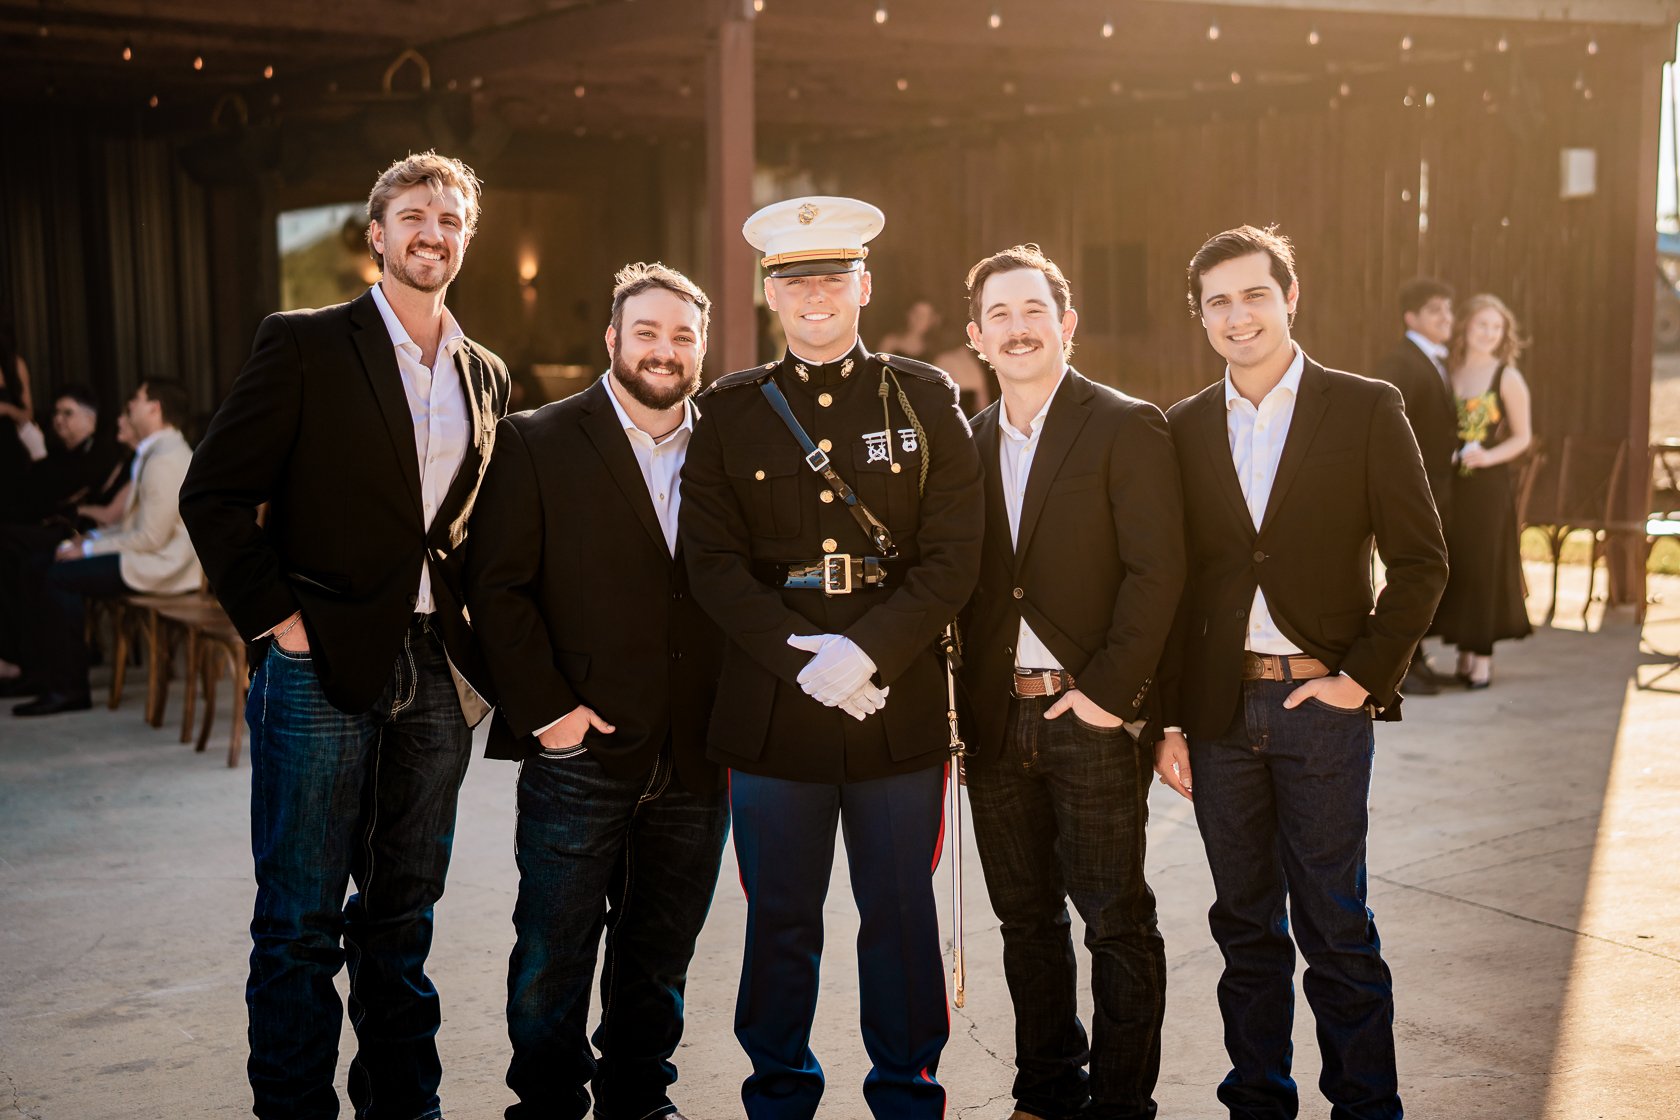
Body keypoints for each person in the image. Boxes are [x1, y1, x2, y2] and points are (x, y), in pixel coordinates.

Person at [179, 151, 510, 1120]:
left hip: (437, 675)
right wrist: (280, 625)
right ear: (376, 233)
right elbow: (214, 492)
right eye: (414, 214)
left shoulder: (485, 374)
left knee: (402, 919)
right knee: (299, 923)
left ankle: (403, 1106)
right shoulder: (306, 344)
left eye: (451, 219)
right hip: (318, 664)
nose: (432, 232)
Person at [679, 196, 983, 1119]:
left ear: (864, 284)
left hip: (894, 707)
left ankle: (907, 1094)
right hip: (777, 711)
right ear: (772, 294)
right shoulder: (728, 411)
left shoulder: (925, 398)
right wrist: (801, 659)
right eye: (794, 280)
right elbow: (712, 563)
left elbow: (953, 554)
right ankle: (778, 1095)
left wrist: (868, 656)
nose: (815, 295)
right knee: (779, 922)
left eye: (831, 277)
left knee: (898, 918)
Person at [1154, 225, 1447, 1120]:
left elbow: (1422, 560)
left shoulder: (1364, 407)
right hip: (1217, 712)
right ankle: (1259, 1103)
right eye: (1218, 302)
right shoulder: (1182, 426)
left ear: (1290, 296)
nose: (1238, 316)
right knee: (1244, 928)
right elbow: (1171, 585)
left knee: (1336, 926)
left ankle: (1366, 1107)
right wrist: (1169, 720)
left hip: (1320, 702)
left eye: (1254, 294)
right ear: (1201, 318)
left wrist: (1361, 680)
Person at [465, 262, 728, 1120]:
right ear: (612, 340)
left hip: (695, 750)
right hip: (578, 747)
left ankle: (637, 1096)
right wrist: (550, 716)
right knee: (552, 946)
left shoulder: (728, 446)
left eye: (683, 335)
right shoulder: (537, 438)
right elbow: (497, 589)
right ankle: (544, 1103)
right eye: (647, 332)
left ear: (701, 347)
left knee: (661, 947)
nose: (665, 349)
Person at [958, 244, 1184, 1120]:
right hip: (995, 722)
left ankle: (1123, 1104)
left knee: (1115, 921)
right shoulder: (967, 442)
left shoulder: (1125, 424)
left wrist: (1106, 700)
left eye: (1033, 311)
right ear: (978, 336)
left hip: (1087, 714)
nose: (1018, 329)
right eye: (1000, 316)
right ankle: (1046, 1091)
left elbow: (1157, 573)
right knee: (1025, 922)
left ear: (1067, 324)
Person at [13, 379, 201, 717]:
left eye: (136, 401)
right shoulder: (155, 452)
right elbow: (136, 529)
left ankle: (69, 689)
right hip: (148, 554)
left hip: (162, 565)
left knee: (60, 577)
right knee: (39, 564)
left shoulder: (166, 458)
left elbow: (150, 539)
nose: (128, 407)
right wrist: (90, 541)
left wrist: (85, 551)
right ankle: (40, 673)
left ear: (155, 409)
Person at [1434, 293, 1534, 687]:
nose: (1489, 334)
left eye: (1497, 328)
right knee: (1456, 565)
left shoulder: (1506, 376)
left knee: (1482, 567)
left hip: (1487, 488)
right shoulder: (1447, 369)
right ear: (1467, 327)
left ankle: (1482, 658)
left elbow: (1523, 437)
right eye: (1482, 325)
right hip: (1449, 486)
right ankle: (1462, 651)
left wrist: (1488, 458)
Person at [0, 385, 129, 692]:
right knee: (11, 554)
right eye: (56, 413)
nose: (59, 420)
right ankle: (20, 659)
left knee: (21, 556)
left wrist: (41, 457)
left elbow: (57, 496)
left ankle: (24, 662)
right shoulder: (63, 452)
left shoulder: (101, 452)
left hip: (81, 533)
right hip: (65, 531)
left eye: (68, 413)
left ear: (91, 420)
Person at [1374, 277, 1457, 695]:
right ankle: (1403, 663)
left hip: (1439, 484)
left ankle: (1418, 657)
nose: (1447, 318)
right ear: (1411, 318)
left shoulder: (1436, 360)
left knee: (1427, 568)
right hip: (1413, 487)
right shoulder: (1400, 365)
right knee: (1412, 568)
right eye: (1435, 311)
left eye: (1448, 310)